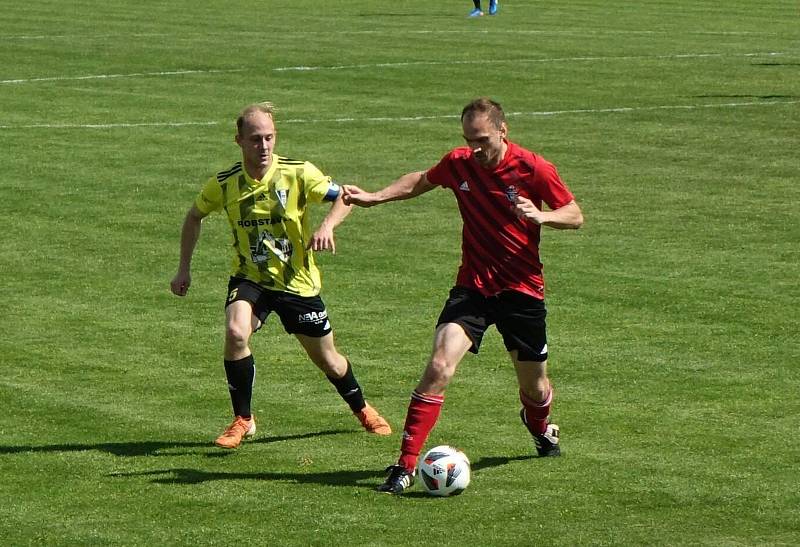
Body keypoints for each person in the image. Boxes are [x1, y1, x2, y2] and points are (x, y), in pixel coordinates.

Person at [342, 97, 583, 494]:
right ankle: (404, 466)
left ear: (503, 131)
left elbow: (574, 213)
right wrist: (375, 196)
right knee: (438, 366)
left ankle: (539, 426)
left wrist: (543, 217)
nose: (474, 147)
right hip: (473, 287)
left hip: (522, 291)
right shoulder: (459, 162)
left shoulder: (533, 167)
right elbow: (422, 179)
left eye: (482, 139)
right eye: (469, 139)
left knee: (535, 388)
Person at [170, 102, 391, 449]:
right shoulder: (225, 184)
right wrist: (184, 268)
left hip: (297, 283)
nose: (264, 146)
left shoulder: (298, 173)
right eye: (256, 139)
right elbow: (193, 216)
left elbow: (346, 197)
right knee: (235, 331)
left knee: (328, 361)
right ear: (239, 140)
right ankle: (242, 419)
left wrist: (327, 226)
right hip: (249, 278)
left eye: (269, 138)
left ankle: (361, 407)